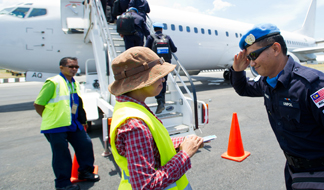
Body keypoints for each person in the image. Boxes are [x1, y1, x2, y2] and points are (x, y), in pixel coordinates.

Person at [230, 23, 324, 189]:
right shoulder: (268, 83)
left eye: (254, 55)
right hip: (295, 174)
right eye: (249, 58)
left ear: (276, 49)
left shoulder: (313, 86)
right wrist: (237, 71)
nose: (252, 63)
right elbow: (243, 89)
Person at [108, 47, 204, 189]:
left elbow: (153, 144)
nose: (163, 78)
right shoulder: (135, 125)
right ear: (139, 81)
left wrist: (182, 142)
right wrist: (184, 154)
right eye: (157, 75)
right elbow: (146, 185)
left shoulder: (130, 107)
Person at [34, 57, 100, 190]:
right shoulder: (53, 82)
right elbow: (38, 104)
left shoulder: (73, 83)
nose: (74, 69)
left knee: (85, 144)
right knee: (62, 155)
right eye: (71, 66)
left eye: (76, 67)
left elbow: (76, 103)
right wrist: (49, 117)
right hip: (55, 126)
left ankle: (85, 172)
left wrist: (82, 121)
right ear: (61, 67)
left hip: (73, 124)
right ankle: (63, 184)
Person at [145, 22, 177, 114]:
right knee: (163, 80)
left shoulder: (151, 37)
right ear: (162, 29)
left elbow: (146, 49)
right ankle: (163, 100)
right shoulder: (167, 37)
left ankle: (160, 101)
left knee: (157, 81)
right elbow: (174, 49)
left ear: (154, 29)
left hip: (157, 63)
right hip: (166, 63)